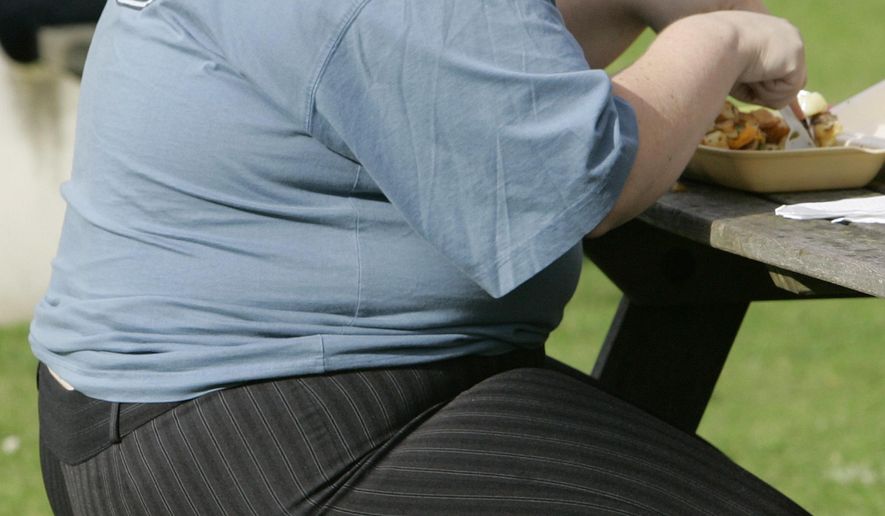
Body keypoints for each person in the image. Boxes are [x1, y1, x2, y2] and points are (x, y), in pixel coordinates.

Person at [28, 0, 810, 514]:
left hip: (202, 409)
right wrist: (716, 38)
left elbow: (453, 65)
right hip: (261, 435)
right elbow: (577, 174)